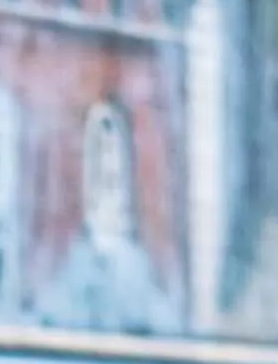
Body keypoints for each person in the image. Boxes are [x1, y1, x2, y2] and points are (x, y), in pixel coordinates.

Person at [37, 99, 181, 335]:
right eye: (98, 157)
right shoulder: (65, 285)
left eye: (115, 174)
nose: (109, 170)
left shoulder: (144, 285)